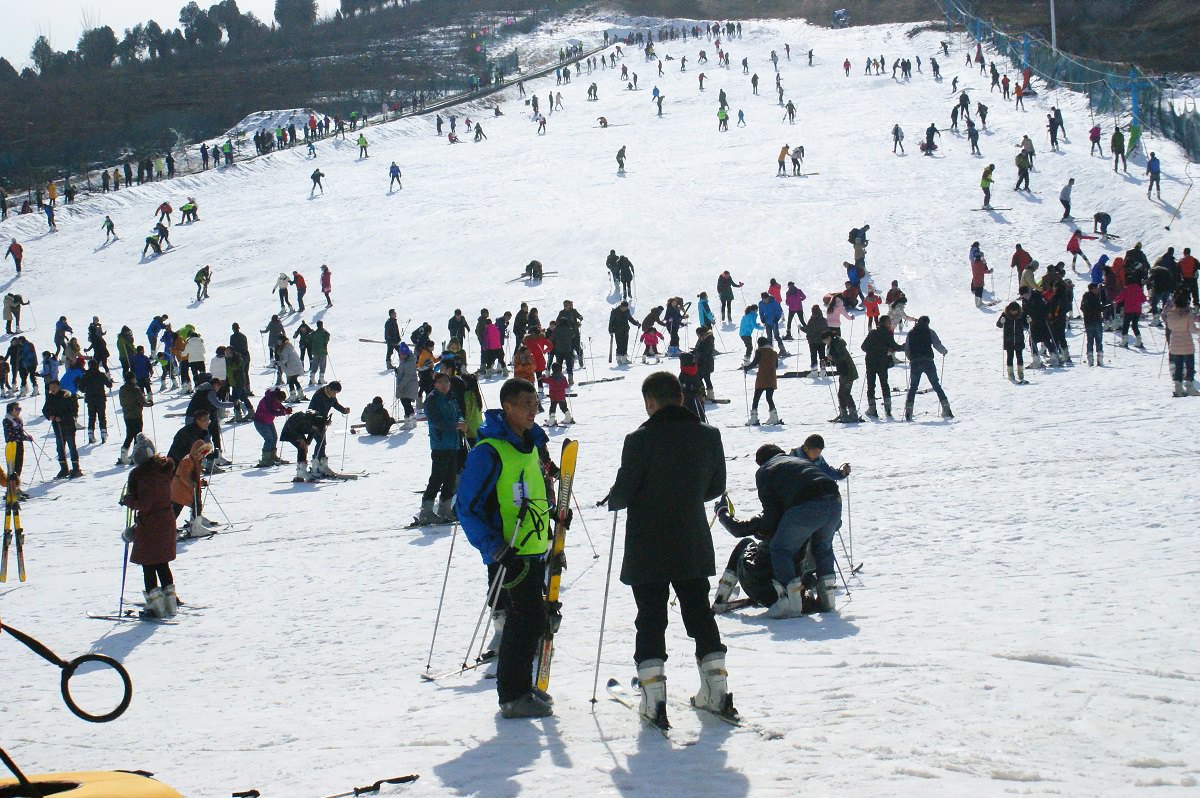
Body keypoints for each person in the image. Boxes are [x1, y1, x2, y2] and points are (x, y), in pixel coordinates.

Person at [605, 372, 731, 727]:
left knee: (650, 618)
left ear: (650, 402)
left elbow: (625, 491)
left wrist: (614, 499)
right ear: (679, 397)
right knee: (698, 612)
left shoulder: (639, 439)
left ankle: (653, 699)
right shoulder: (709, 435)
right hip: (690, 538)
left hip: (648, 541)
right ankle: (716, 689)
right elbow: (715, 487)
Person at [457, 378, 555, 718]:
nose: (533, 410)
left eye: (535, 404)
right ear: (508, 407)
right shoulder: (489, 451)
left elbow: (534, 492)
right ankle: (512, 695)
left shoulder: (530, 444)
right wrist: (493, 547)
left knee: (531, 619)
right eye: (526, 404)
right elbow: (467, 507)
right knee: (524, 620)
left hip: (533, 546)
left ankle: (521, 688)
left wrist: (554, 518)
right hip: (508, 552)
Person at [716, 443, 840, 617]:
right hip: (834, 499)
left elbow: (771, 513)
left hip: (805, 505)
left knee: (781, 550)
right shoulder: (798, 462)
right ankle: (828, 600)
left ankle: (790, 602)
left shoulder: (766, 470)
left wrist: (759, 528)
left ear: (760, 462)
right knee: (823, 548)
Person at [121, 435, 180, 618]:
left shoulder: (144, 477)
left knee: (148, 564)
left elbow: (145, 504)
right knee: (162, 563)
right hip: (165, 519)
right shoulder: (162, 470)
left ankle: (157, 606)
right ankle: (170, 603)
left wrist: (129, 500)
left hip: (151, 524)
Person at [417, 372, 464, 524]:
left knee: (451, 478)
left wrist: (462, 423)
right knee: (437, 477)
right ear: (435, 384)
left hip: (453, 443)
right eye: (441, 382)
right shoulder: (432, 399)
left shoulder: (452, 396)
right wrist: (455, 426)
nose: (444, 385)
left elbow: (459, 414)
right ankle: (426, 510)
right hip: (440, 444)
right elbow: (436, 421)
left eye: (446, 382)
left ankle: (445, 509)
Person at [903, 316, 952, 420]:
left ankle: (908, 412)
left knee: (913, 388)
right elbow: (937, 344)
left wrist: (910, 359)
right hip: (928, 362)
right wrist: (944, 351)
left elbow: (907, 348)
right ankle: (947, 410)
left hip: (915, 362)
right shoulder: (930, 331)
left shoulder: (911, 333)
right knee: (936, 385)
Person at [860, 316, 900, 417]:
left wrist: (872, 350)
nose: (890, 323)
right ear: (885, 323)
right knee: (884, 384)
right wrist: (905, 347)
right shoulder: (887, 333)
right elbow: (894, 346)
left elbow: (863, 347)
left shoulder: (872, 333)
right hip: (882, 362)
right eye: (889, 322)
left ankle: (872, 409)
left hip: (870, 361)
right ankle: (888, 409)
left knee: (871, 385)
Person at [306, 381, 349, 476]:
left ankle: (322, 465)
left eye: (336, 393)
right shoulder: (319, 395)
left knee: (322, 443)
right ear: (329, 388)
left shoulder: (331, 395)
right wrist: (324, 422)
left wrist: (344, 410)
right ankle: (316, 466)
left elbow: (335, 404)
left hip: (322, 422)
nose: (334, 395)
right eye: (334, 392)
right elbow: (316, 411)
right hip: (314, 421)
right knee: (320, 442)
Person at [43, 379, 81, 478]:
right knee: (60, 448)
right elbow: (45, 410)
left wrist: (62, 417)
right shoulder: (50, 397)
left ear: (58, 386)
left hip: (68, 425)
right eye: (51, 387)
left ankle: (76, 468)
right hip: (57, 426)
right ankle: (64, 469)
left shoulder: (66, 395)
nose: (53, 389)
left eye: (54, 387)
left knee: (72, 447)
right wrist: (49, 416)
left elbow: (73, 411)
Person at [1163, 291, 1199, 396]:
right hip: (1186, 342)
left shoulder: (1170, 314)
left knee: (1178, 366)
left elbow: (1169, 327)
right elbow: (1192, 329)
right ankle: (1189, 387)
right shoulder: (1188, 314)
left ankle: (1178, 387)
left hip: (1174, 342)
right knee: (1189, 366)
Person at [824, 329, 862, 422]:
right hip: (843, 371)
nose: (824, 342)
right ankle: (843, 413)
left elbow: (842, 356)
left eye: (825, 340)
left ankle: (853, 414)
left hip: (848, 371)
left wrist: (832, 358)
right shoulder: (832, 344)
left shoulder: (837, 343)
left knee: (845, 393)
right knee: (841, 394)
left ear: (829, 338)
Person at [742, 337, 779, 425]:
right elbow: (776, 366)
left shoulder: (760, 352)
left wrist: (746, 368)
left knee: (756, 398)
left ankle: (754, 418)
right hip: (772, 378)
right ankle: (774, 417)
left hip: (762, 378)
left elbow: (754, 363)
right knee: (769, 398)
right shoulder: (774, 353)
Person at [997, 301, 1030, 382]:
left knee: (1019, 356)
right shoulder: (1005, 314)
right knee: (1010, 356)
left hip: (1019, 339)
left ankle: (1020, 372)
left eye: (1015, 311)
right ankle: (1010, 373)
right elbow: (998, 325)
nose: (1014, 312)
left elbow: (1026, 325)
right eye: (1012, 311)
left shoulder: (1021, 315)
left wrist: (1029, 321)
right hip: (1009, 340)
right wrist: (1001, 321)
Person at [1079, 284, 1105, 368]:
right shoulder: (1095, 297)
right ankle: (1100, 359)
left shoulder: (1085, 297)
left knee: (1089, 340)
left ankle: (1090, 359)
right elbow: (1099, 308)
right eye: (1096, 288)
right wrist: (1111, 306)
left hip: (1088, 321)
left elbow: (1082, 307)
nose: (1097, 289)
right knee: (1098, 340)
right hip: (1096, 321)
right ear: (1092, 289)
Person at [609, 301, 639, 365]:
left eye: (626, 307)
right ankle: (618, 359)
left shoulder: (627, 311)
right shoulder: (614, 312)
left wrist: (636, 323)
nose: (625, 309)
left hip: (625, 330)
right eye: (624, 307)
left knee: (625, 344)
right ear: (621, 306)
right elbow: (611, 321)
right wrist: (610, 331)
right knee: (619, 344)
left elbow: (630, 318)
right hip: (617, 330)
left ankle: (624, 359)